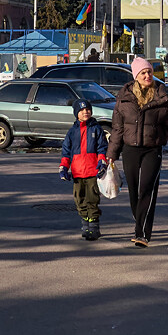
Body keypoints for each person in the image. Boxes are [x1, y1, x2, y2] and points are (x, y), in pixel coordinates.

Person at [109, 56, 168, 247]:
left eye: (149, 71)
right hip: (130, 149)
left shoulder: (163, 98)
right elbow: (117, 129)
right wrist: (111, 155)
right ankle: (139, 222)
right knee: (133, 191)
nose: (148, 75)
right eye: (143, 72)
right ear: (136, 76)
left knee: (147, 189)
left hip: (152, 150)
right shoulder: (124, 98)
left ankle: (142, 233)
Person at [60, 98, 109, 241]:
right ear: (76, 114)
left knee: (92, 199)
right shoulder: (72, 132)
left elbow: (102, 147)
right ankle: (85, 225)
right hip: (77, 172)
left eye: (87, 109)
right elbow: (66, 152)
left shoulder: (96, 129)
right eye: (81, 110)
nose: (85, 112)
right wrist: (64, 167)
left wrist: (102, 162)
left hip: (92, 172)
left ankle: (94, 227)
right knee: (79, 199)